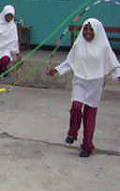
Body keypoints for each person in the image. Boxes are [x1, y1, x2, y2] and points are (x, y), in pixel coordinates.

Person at [46, 18, 120, 157]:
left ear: (97, 31)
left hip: (95, 83)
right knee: (75, 107)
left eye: (91, 29)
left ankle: (87, 146)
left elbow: (114, 64)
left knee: (89, 115)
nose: (87, 32)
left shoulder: (103, 46)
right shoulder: (78, 44)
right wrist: (56, 70)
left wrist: (118, 75)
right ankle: (72, 132)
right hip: (80, 80)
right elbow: (70, 61)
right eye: (85, 29)